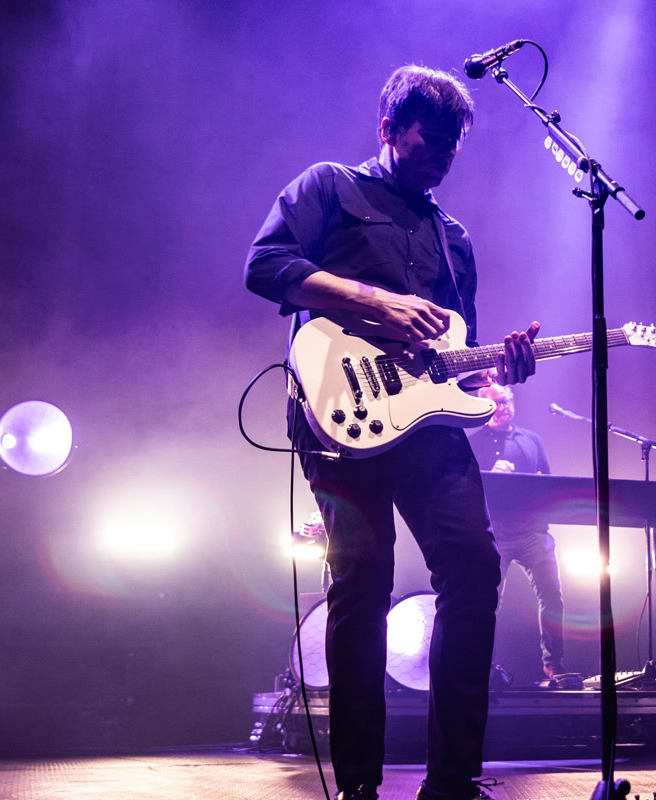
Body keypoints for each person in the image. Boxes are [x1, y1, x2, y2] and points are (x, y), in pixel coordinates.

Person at [244, 65, 540, 800]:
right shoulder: (329, 186)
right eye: (428, 140)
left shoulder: (453, 237)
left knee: (474, 568)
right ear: (388, 129)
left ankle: (453, 781)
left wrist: (500, 367)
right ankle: (358, 787)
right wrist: (375, 301)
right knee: (363, 581)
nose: (442, 155)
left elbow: (456, 358)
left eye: (452, 145)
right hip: (338, 414)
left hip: (425, 426)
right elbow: (266, 264)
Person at [467, 385, 580, 689]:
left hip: (531, 530)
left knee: (552, 595)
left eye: (502, 401)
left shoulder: (531, 440)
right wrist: (490, 474)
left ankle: (554, 664)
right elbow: (465, 489)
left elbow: (548, 483)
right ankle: (481, 666)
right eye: (491, 404)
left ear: (512, 402)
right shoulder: (472, 443)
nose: (498, 408)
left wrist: (536, 486)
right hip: (494, 532)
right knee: (486, 600)